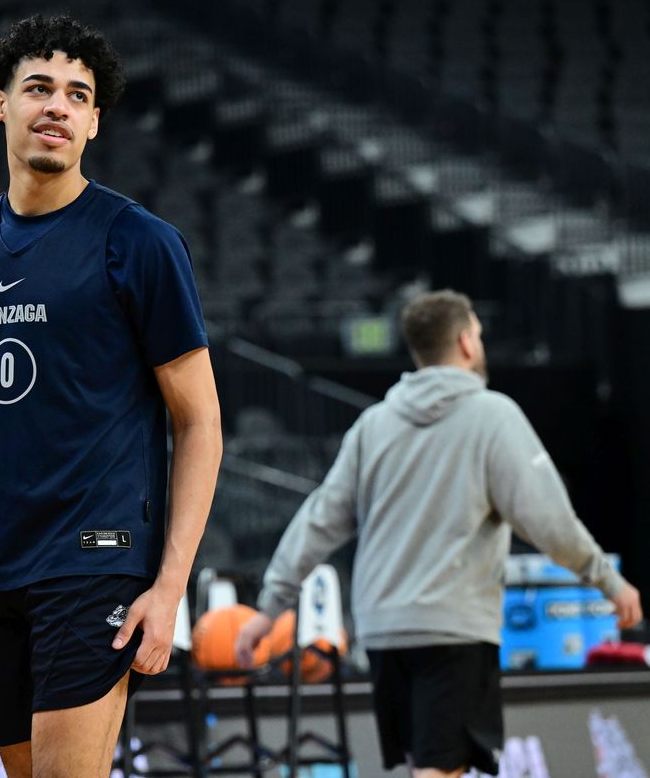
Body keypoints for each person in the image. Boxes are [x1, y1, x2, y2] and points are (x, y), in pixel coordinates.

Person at [0, 14, 223, 778]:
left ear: (94, 123)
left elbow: (202, 422)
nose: (57, 106)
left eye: (77, 96)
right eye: (38, 88)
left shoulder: (139, 241)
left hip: (97, 561)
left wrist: (170, 585)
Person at [235, 289, 643, 778]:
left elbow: (319, 519)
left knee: (427, 765)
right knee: (439, 770)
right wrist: (607, 580)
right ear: (467, 342)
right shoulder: (494, 416)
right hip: (451, 627)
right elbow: (549, 520)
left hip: (384, 630)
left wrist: (270, 606)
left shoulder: (374, 425)